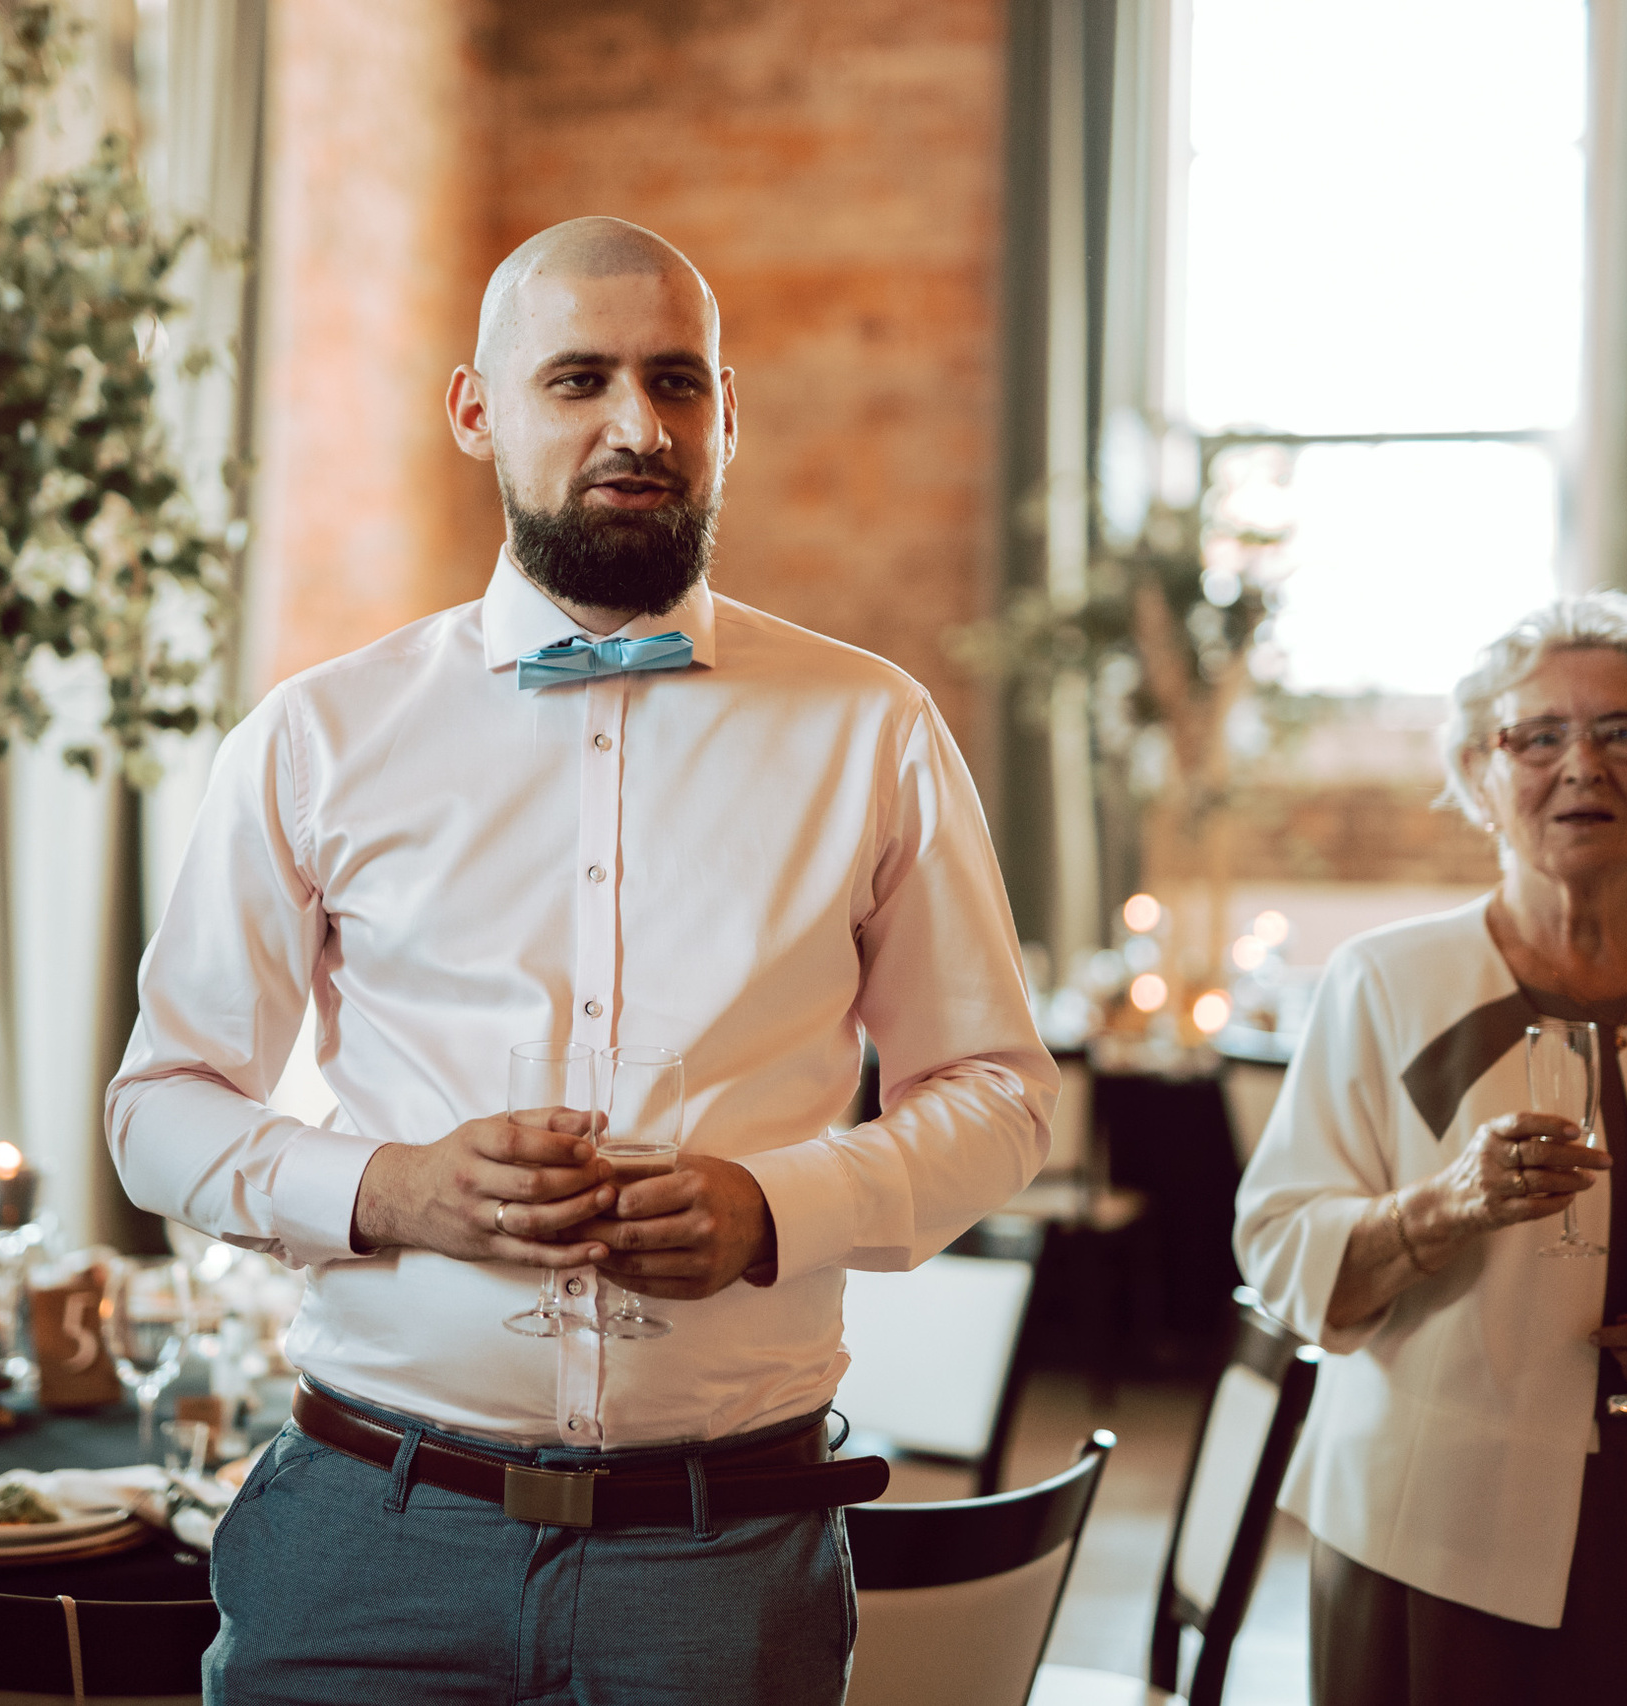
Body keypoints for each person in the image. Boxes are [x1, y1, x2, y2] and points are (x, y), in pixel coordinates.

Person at [106, 216, 1055, 1704]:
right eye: (579, 379)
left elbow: (1000, 1095)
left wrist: (773, 1207)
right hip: (372, 1535)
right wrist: (390, 1186)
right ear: (476, 409)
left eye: (679, 384)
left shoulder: (871, 731)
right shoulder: (318, 735)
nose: (639, 426)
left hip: (725, 1558)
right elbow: (158, 1109)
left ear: (727, 415)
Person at [1234, 592, 1627, 1705]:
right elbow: (1275, 1244)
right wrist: (1436, 1207)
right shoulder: (1383, 981)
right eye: (1535, 734)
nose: (1580, 761)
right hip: (1436, 1530)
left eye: (1625, 729)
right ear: (1479, 779)